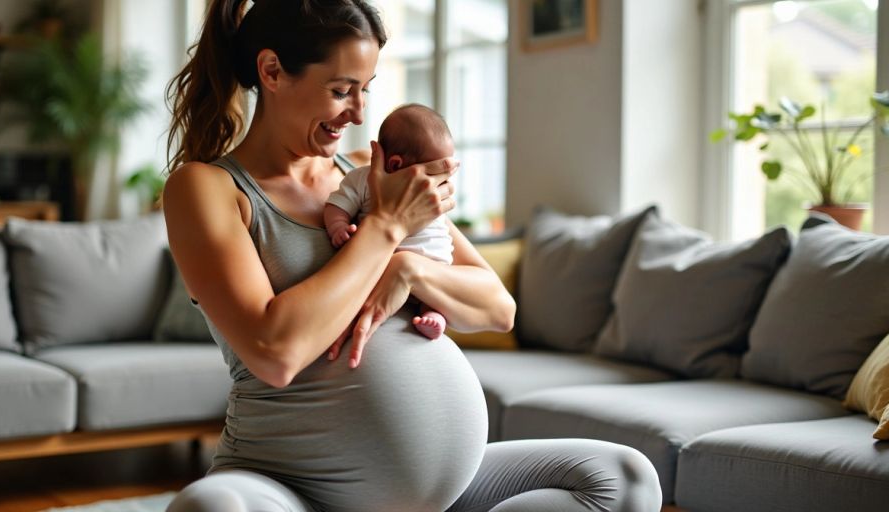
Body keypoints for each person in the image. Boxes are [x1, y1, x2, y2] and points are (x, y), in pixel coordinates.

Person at [162, 1, 663, 511]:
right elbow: (276, 352)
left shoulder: (369, 171)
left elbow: (497, 308)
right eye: (340, 90)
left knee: (622, 477)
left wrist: (408, 267)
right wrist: (385, 227)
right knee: (212, 510)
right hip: (295, 488)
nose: (359, 113)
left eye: (366, 89)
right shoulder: (207, 189)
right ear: (272, 71)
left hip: (446, 491)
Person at [324, 103, 454, 340]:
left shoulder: (432, 194)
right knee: (367, 291)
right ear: (395, 165)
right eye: (431, 173)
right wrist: (338, 226)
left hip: (435, 269)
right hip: (381, 267)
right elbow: (336, 206)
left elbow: (502, 311)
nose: (437, 183)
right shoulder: (362, 179)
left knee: (436, 301)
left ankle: (435, 315)